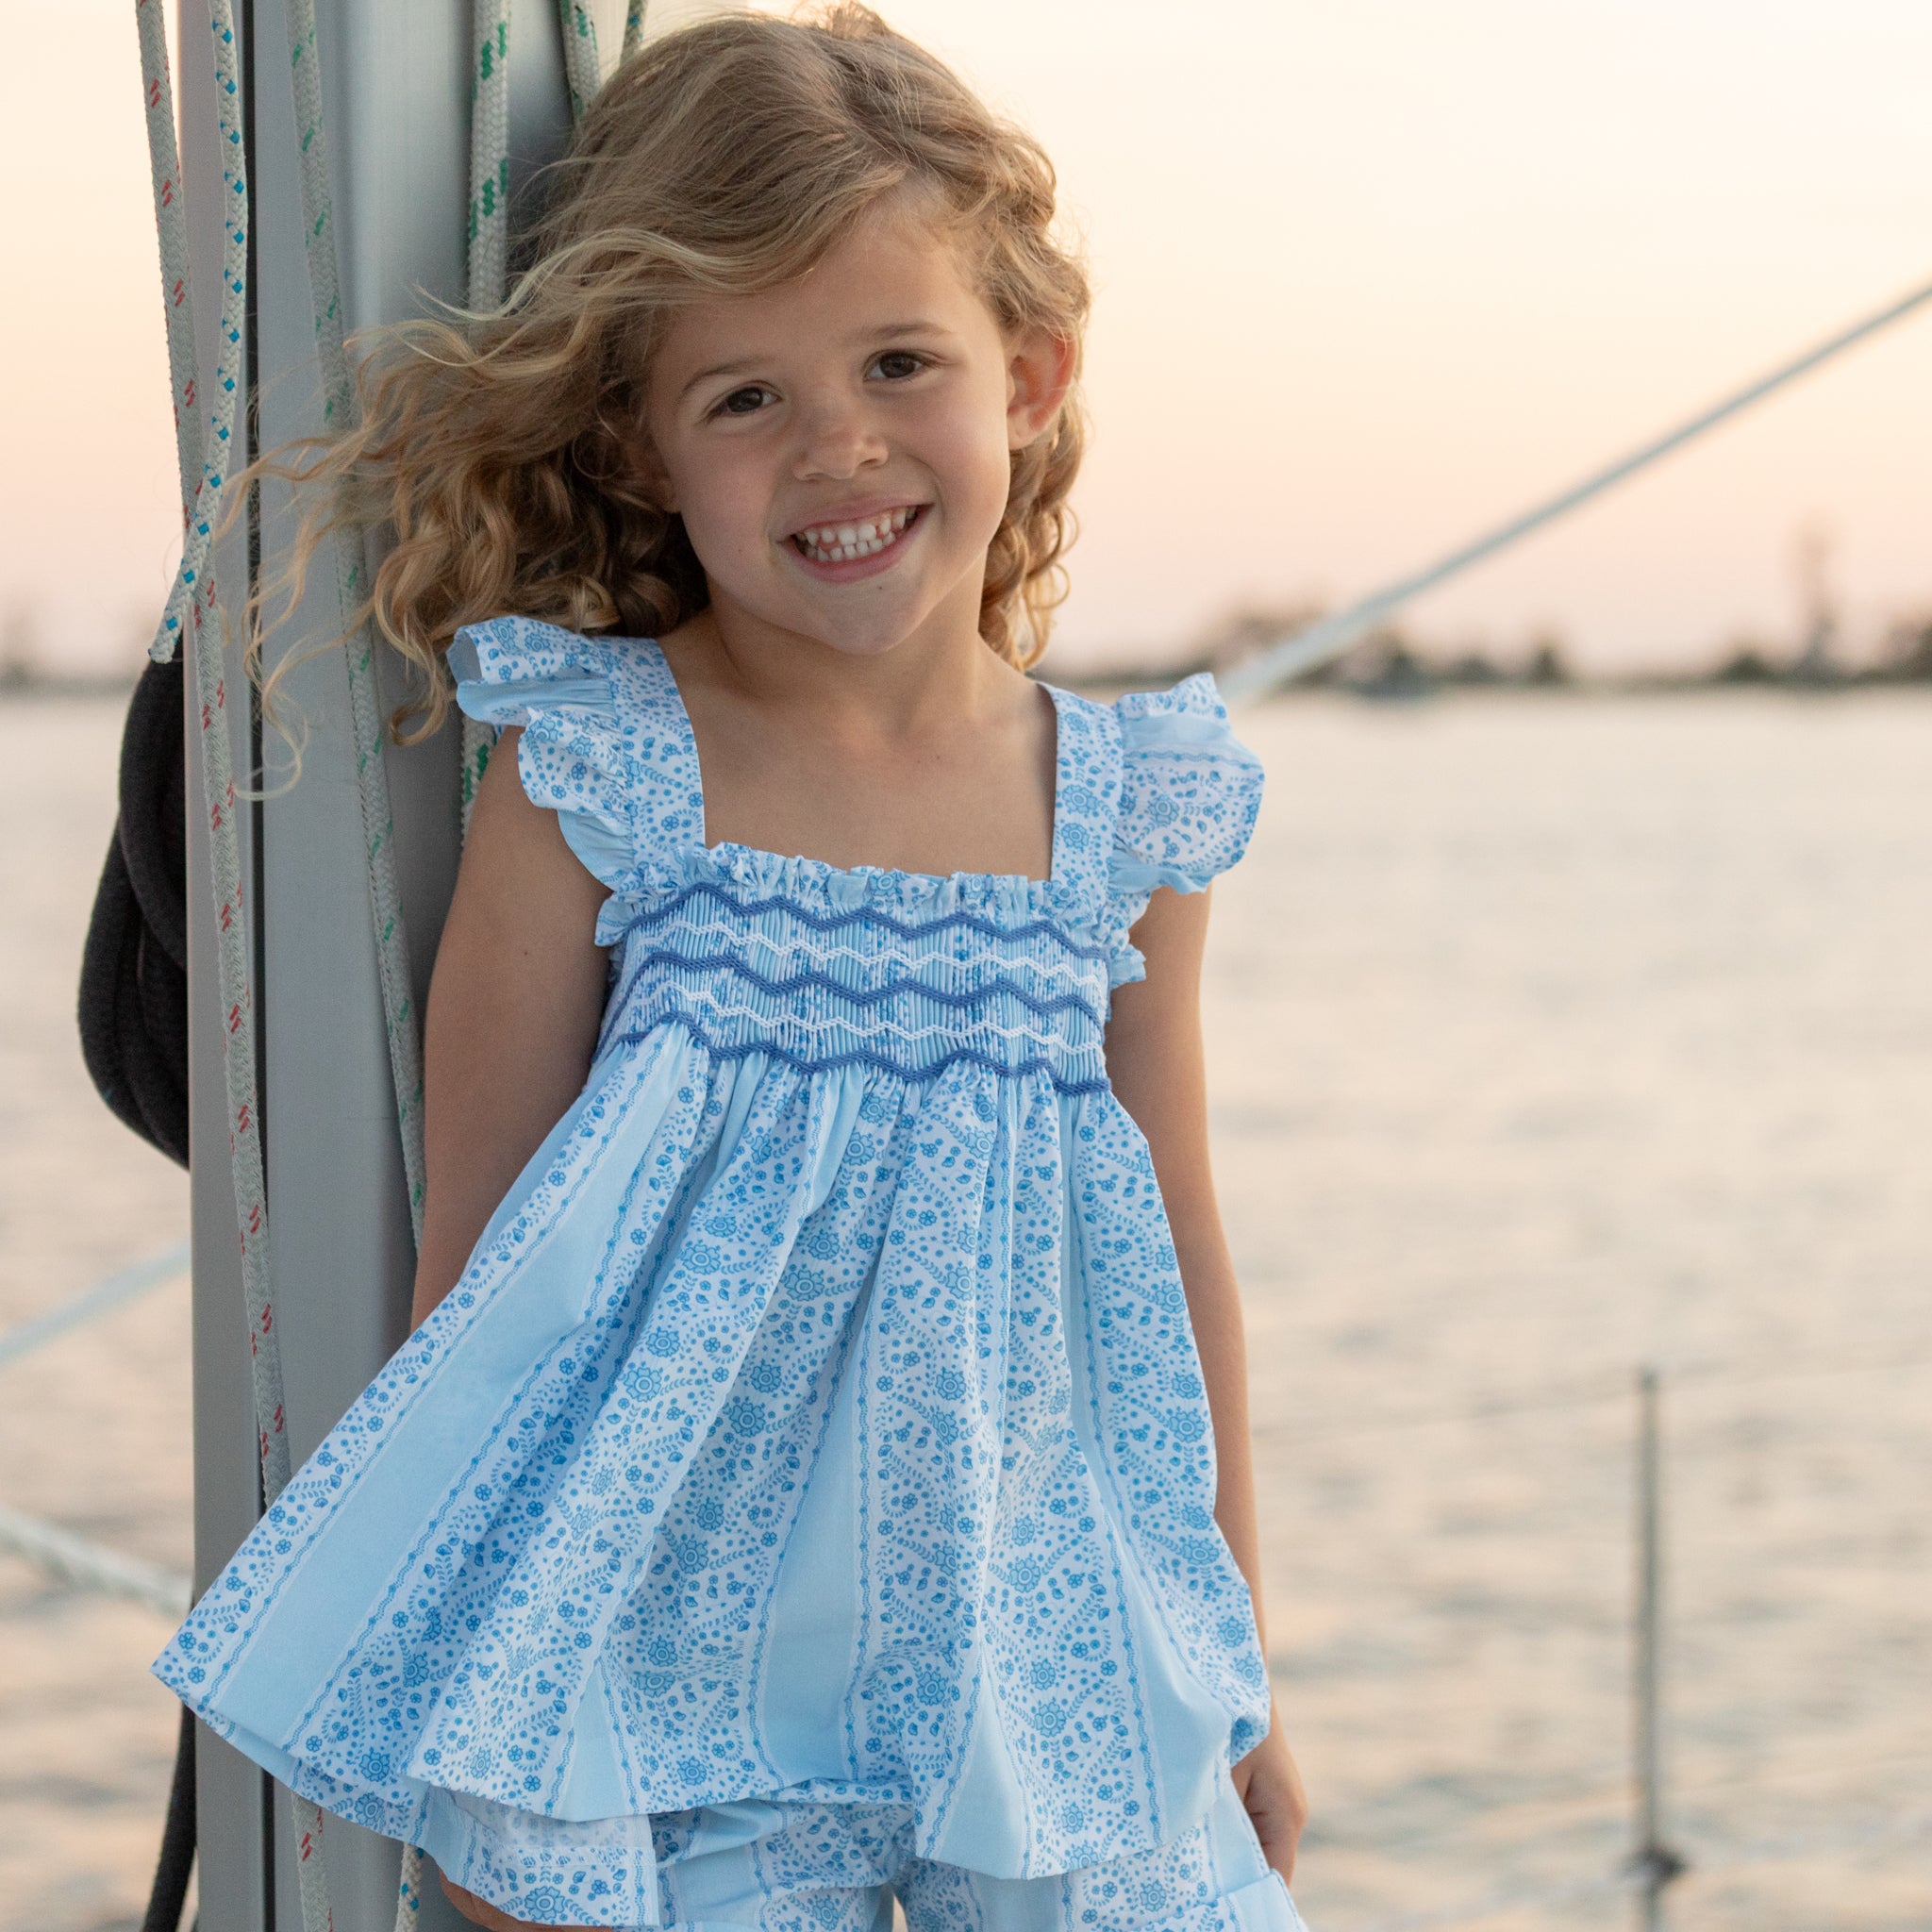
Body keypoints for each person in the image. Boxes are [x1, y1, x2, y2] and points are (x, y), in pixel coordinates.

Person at [154, 9, 1309, 1927]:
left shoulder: (1123, 809)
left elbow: (1178, 1252)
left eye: (898, 362)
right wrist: (507, 1759)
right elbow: (485, 1287)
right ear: (638, 439)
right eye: (745, 397)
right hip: (678, 1694)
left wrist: (1238, 1661)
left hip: (1047, 1658)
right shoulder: (601, 763)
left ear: (1028, 373)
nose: (838, 445)